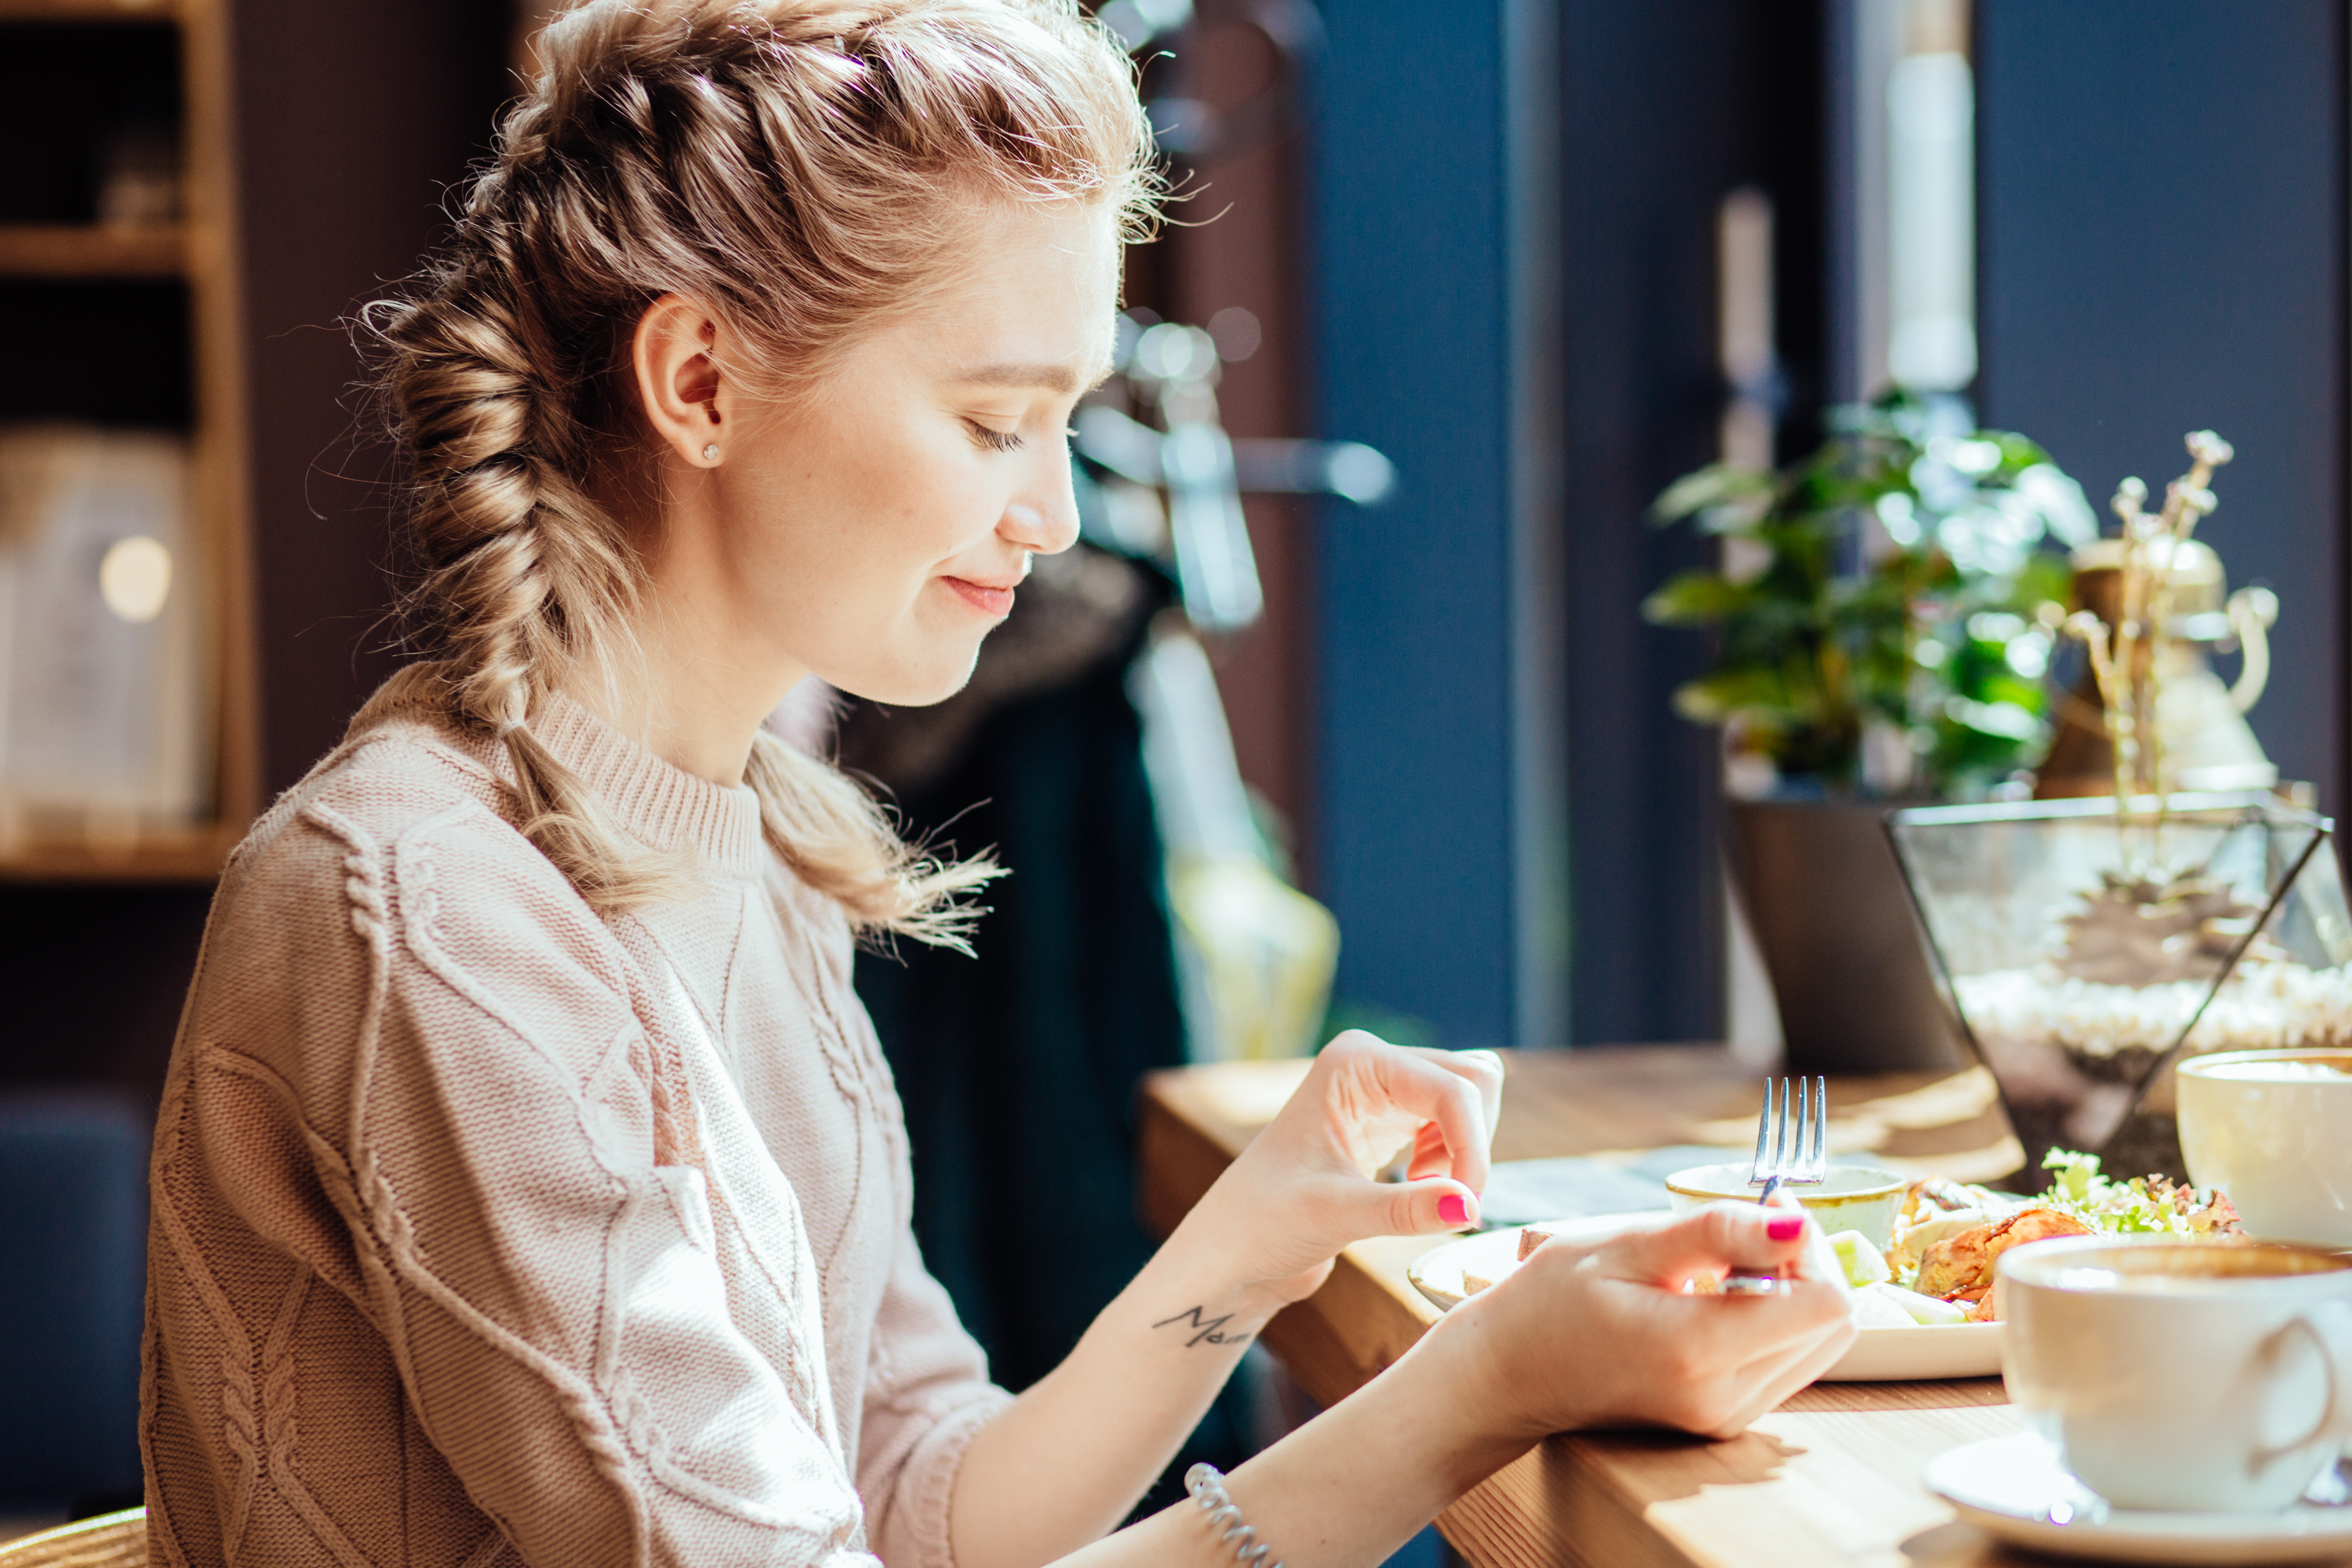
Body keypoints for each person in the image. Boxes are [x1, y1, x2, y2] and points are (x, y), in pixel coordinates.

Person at [141, 2, 1857, 1564]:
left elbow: (922, 1494)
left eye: (1065, 421)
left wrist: (1251, 1238)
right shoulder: (427, 910)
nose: (1048, 513)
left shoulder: (765, 852)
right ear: (700, 380)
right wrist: (1466, 1389)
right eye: (989, 420)